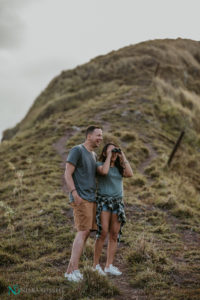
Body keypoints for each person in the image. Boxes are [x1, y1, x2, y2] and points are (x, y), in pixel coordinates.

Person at [64, 125, 103, 282]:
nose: (100, 138)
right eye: (98, 135)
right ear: (89, 136)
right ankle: (73, 271)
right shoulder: (77, 150)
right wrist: (74, 193)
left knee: (86, 233)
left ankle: (70, 270)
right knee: (83, 232)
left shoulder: (93, 155)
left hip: (91, 198)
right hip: (81, 198)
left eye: (101, 135)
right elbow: (67, 173)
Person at [93, 142, 133, 276]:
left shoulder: (120, 168)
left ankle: (109, 265)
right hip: (104, 202)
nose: (114, 153)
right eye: (110, 151)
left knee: (114, 235)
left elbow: (130, 174)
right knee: (103, 232)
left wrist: (122, 155)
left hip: (117, 203)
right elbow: (104, 172)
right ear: (104, 153)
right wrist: (109, 156)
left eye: (115, 151)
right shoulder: (99, 166)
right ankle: (95, 265)